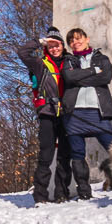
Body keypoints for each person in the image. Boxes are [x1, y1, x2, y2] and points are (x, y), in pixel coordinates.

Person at [15, 25, 73, 203]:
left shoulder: (71, 63)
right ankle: (40, 196)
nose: (54, 48)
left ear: (63, 46)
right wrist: (40, 41)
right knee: (46, 154)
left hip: (67, 113)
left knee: (65, 154)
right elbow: (22, 52)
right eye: (51, 45)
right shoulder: (40, 64)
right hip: (47, 113)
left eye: (57, 45)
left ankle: (61, 193)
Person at [60, 27, 112, 200]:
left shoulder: (102, 58)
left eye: (78, 38)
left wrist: (79, 78)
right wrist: (93, 71)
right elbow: (69, 78)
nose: (75, 42)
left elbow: (105, 77)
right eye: (71, 41)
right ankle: (84, 191)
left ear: (87, 38)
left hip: (97, 112)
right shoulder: (68, 60)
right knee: (77, 153)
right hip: (74, 114)